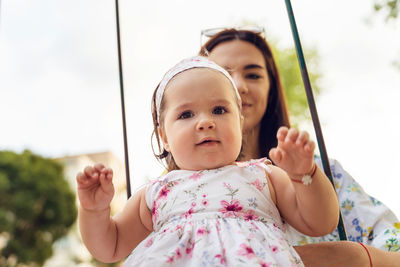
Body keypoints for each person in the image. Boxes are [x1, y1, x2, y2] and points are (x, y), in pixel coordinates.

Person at [76, 56, 340, 266]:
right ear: (164, 137)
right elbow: (109, 246)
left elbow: (321, 222)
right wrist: (94, 211)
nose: (205, 122)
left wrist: (305, 175)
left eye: (219, 110)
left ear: (239, 123)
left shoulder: (264, 176)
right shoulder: (156, 193)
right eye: (187, 114)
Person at [199, 27, 400, 266]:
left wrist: (355, 257)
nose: (239, 86)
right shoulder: (173, 192)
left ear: (270, 90)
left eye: (253, 75)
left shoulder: (322, 172)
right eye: (223, 75)